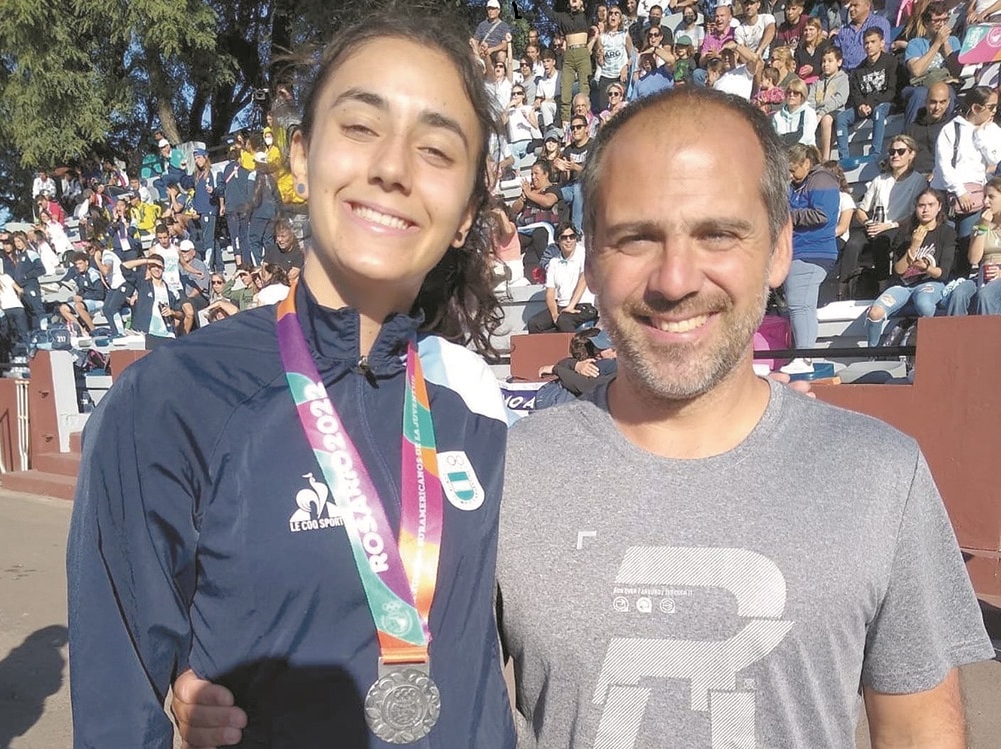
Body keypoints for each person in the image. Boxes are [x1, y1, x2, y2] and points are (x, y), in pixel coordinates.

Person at [173, 88, 992, 749]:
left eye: (718, 233)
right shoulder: (500, 473)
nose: (676, 278)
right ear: (590, 258)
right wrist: (217, 697)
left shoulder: (880, 473)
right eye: (636, 238)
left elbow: (922, 728)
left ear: (780, 246)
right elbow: (381, 655)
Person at [68, 10, 517, 748]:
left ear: (466, 215)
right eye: (361, 126)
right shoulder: (171, 401)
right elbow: (120, 711)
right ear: (302, 157)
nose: (394, 168)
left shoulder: (475, 397)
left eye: (437, 148)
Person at [838, 134, 925, 298]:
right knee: (853, 244)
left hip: (899, 227)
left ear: (911, 154)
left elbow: (915, 214)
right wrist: (868, 223)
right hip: (875, 226)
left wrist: (888, 226)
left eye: (901, 151)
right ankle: (843, 291)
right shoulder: (879, 179)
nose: (895, 155)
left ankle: (882, 287)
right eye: (892, 152)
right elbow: (861, 211)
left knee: (881, 241)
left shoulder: (917, 180)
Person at [865, 187, 955, 345]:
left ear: (939, 206)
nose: (925, 209)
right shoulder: (905, 232)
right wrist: (914, 246)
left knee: (924, 304)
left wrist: (926, 268)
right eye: (921, 205)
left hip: (931, 283)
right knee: (875, 312)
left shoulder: (947, 232)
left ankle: (930, 347)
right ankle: (871, 354)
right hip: (904, 285)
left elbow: (943, 273)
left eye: (930, 205)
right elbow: (899, 270)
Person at [930, 86, 1001, 276]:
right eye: (991, 107)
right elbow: (944, 165)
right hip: (949, 195)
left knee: (968, 240)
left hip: (978, 195)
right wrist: (960, 191)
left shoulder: (992, 130)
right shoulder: (950, 129)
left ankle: (963, 278)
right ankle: (944, 281)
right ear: (976, 108)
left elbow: (995, 159)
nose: (995, 111)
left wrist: (981, 135)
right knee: (946, 242)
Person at [783, 143, 839, 374]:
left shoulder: (822, 180)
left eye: (793, 169)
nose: (789, 175)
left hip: (813, 252)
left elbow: (822, 215)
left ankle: (804, 356)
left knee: (800, 306)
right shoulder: (796, 184)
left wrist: (787, 216)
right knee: (799, 305)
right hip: (799, 251)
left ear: (807, 163)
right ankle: (803, 354)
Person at [834, 27, 897, 165]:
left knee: (878, 112)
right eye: (866, 43)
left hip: (885, 104)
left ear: (881, 43)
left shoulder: (891, 63)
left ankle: (875, 153)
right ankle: (843, 158)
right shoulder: (858, 70)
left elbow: (891, 92)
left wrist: (871, 104)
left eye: (873, 42)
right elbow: (856, 93)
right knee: (841, 117)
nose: (869, 46)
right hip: (864, 107)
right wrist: (861, 105)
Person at [944, 175, 1001, 315]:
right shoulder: (979, 224)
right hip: (983, 274)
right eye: (985, 197)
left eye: (991, 197)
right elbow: (974, 259)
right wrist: (983, 227)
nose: (986, 202)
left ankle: (989, 335)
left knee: (986, 295)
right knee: (958, 294)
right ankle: (954, 334)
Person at [527, 222, 597, 333]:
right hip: (561, 307)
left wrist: (571, 306)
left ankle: (575, 349)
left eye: (572, 236)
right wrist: (555, 315)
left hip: (583, 305)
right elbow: (550, 293)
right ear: (557, 240)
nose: (569, 240)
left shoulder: (584, 254)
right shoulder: (554, 262)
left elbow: (583, 280)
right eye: (564, 237)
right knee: (534, 323)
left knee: (564, 320)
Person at [542, 0, 593, 126]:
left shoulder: (586, 15)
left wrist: (580, 7)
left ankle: (585, 120)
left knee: (584, 87)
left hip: (583, 52)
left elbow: (593, 3)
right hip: (569, 54)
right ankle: (565, 124)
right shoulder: (563, 16)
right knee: (565, 89)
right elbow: (548, 12)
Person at [808, 46, 849, 161]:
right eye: (823, 61)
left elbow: (840, 99)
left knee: (826, 119)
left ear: (839, 62)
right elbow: (810, 100)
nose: (826, 64)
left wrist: (821, 113)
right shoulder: (818, 81)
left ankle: (825, 158)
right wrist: (811, 114)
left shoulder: (843, 78)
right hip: (818, 112)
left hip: (835, 112)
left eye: (830, 61)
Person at [905, 80, 952, 174]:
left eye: (942, 102)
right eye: (933, 102)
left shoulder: (952, 127)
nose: (937, 107)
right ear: (926, 101)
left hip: (942, 177)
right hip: (916, 178)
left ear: (948, 103)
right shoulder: (911, 129)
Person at [833, 0, 892, 71]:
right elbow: (835, 54)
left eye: (855, 5)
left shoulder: (880, 23)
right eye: (851, 6)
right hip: (845, 74)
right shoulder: (844, 31)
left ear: (867, 6)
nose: (851, 9)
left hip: (869, 71)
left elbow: (883, 50)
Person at [772, 79, 818, 146]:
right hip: (783, 150)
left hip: (804, 150)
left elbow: (807, 137)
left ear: (802, 96)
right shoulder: (777, 116)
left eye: (796, 93)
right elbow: (775, 139)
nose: (791, 95)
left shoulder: (809, 113)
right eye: (789, 92)